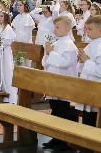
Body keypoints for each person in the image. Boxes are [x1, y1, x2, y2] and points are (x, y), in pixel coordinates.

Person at [41, 16, 78, 151]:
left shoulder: (69, 45)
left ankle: (66, 141)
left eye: (57, 27)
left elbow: (64, 63)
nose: (54, 30)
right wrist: (48, 53)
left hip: (64, 84)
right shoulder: (57, 43)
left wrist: (51, 53)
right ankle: (56, 138)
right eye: (54, 27)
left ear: (66, 29)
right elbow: (45, 62)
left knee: (65, 112)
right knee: (55, 110)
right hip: (54, 83)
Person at [76, 16, 101, 127]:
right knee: (87, 119)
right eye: (86, 29)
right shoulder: (91, 45)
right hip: (89, 88)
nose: (86, 31)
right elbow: (83, 67)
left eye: (90, 29)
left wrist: (86, 61)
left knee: (93, 120)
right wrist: (82, 61)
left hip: (98, 91)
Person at [11, 0, 35, 67]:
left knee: (24, 65)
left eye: (20, 5)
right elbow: (13, 30)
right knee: (16, 65)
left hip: (25, 45)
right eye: (17, 5)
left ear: (25, 6)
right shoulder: (17, 17)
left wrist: (21, 44)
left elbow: (27, 35)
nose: (18, 7)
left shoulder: (28, 18)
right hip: (17, 43)